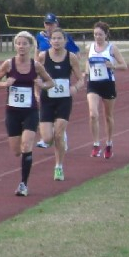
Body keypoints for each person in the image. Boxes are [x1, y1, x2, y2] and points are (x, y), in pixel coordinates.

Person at [0, 32, 55, 197]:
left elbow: (51, 82)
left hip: (30, 111)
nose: (21, 46)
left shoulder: (36, 66)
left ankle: (23, 184)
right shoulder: (8, 64)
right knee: (16, 151)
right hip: (12, 112)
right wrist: (5, 84)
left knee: (26, 146)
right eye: (18, 43)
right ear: (15, 46)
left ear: (30, 46)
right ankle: (24, 169)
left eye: (24, 43)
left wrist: (42, 84)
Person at [37, 25, 79, 180]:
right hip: (47, 100)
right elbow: (35, 76)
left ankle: (59, 167)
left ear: (65, 41)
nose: (56, 41)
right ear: (50, 41)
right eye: (54, 38)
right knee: (47, 138)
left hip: (64, 100)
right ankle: (51, 138)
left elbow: (81, 78)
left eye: (59, 38)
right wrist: (37, 91)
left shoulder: (71, 57)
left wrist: (75, 87)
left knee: (59, 134)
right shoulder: (42, 56)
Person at [83, 21, 128, 159]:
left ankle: (109, 144)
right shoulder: (89, 47)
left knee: (108, 116)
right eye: (95, 34)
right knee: (93, 114)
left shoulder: (112, 48)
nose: (97, 37)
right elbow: (87, 61)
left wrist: (112, 65)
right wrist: (86, 72)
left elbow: (124, 65)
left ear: (106, 34)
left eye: (100, 34)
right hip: (93, 84)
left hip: (108, 84)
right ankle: (96, 144)